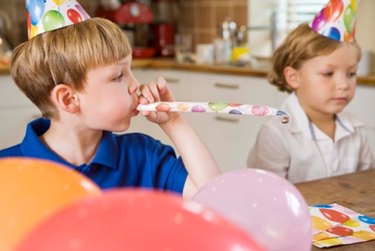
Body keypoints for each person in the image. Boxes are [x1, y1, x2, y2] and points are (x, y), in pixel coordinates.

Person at [0, 2, 220, 198]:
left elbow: (216, 201)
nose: (136, 85)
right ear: (68, 99)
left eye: (130, 70)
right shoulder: (8, 171)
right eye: (118, 76)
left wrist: (174, 123)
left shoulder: (144, 156)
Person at [247, 15, 375, 182]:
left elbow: (366, 185)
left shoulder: (356, 130)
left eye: (351, 73)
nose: (344, 84)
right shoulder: (276, 134)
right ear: (294, 78)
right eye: (328, 73)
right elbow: (266, 194)